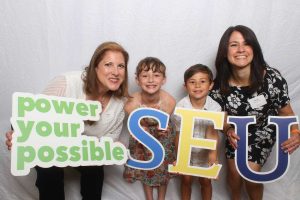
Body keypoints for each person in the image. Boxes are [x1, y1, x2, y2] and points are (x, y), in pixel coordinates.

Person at [5, 41, 130, 200]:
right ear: (95, 67)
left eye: (121, 66)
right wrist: (20, 135)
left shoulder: (120, 103)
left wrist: (115, 148)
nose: (116, 72)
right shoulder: (67, 82)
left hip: (82, 142)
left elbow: (106, 144)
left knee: (95, 169)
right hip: (47, 134)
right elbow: (31, 115)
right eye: (108, 64)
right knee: (50, 171)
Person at [209, 25, 300, 200]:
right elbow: (221, 117)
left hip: (262, 130)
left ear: (254, 49)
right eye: (234, 45)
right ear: (225, 51)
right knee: (234, 177)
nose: (241, 49)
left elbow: (286, 113)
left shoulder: (272, 79)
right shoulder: (219, 85)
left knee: (250, 175)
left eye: (246, 44)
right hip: (236, 133)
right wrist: (228, 130)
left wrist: (296, 132)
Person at [123, 57, 176, 200]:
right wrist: (143, 132)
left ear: (163, 79)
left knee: (163, 167)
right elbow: (137, 126)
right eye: (145, 76)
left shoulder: (169, 101)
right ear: (137, 80)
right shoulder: (131, 102)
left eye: (156, 75)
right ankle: (149, 198)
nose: (150, 80)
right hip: (142, 134)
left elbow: (163, 124)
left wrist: (161, 130)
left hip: (162, 135)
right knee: (146, 167)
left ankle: (161, 198)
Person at [172, 64, 221, 200]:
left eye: (203, 81)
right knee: (186, 180)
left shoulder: (215, 107)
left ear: (211, 85)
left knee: (205, 181)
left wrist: (213, 158)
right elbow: (179, 134)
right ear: (185, 86)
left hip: (205, 152)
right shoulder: (181, 106)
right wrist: (180, 157)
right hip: (186, 152)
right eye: (192, 82)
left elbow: (212, 134)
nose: (197, 86)